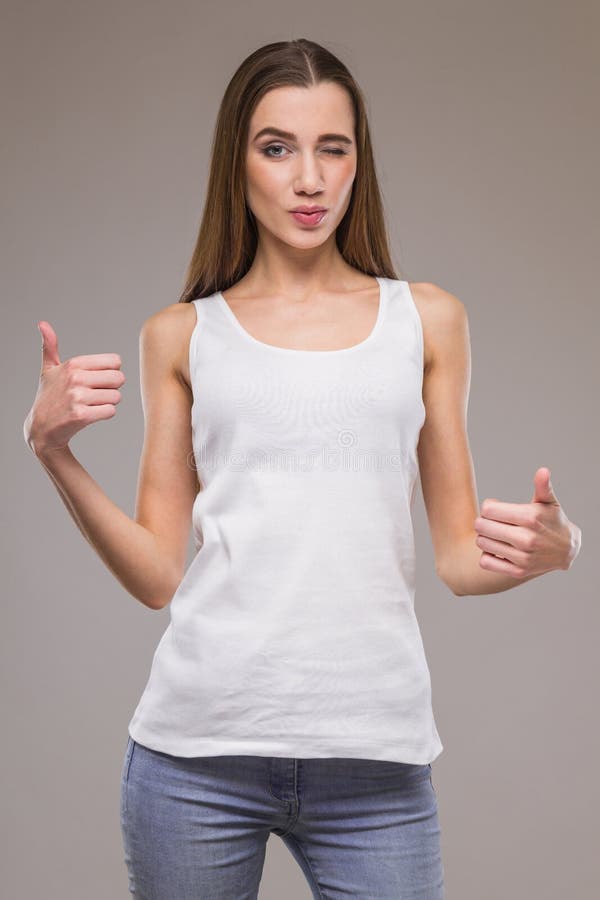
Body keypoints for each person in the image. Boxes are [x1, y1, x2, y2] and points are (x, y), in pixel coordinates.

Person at [23, 37, 581, 900]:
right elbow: (157, 574)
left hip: (375, 765)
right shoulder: (182, 334)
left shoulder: (427, 321)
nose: (309, 179)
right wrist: (53, 453)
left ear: (360, 163)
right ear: (236, 162)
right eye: (277, 147)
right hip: (195, 761)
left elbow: (459, 559)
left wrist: (561, 546)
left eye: (334, 148)